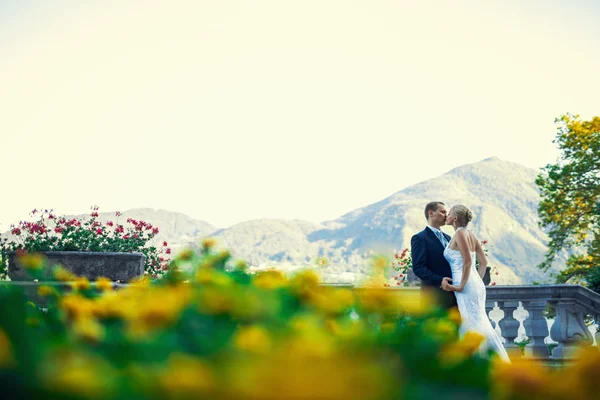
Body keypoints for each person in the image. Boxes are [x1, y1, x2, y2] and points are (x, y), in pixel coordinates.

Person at [444, 205, 510, 362]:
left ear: (455, 219)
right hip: (474, 284)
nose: (447, 215)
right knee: (478, 320)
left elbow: (467, 261)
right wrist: (477, 281)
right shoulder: (471, 234)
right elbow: (484, 262)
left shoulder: (460, 233)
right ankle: (487, 359)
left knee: (471, 321)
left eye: (450, 213)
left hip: (465, 285)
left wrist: (460, 286)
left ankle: (476, 361)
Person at [411, 201, 457, 310]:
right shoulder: (420, 238)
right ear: (431, 213)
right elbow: (418, 267)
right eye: (443, 212)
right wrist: (440, 281)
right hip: (434, 296)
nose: (447, 215)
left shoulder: (449, 238)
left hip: (454, 295)